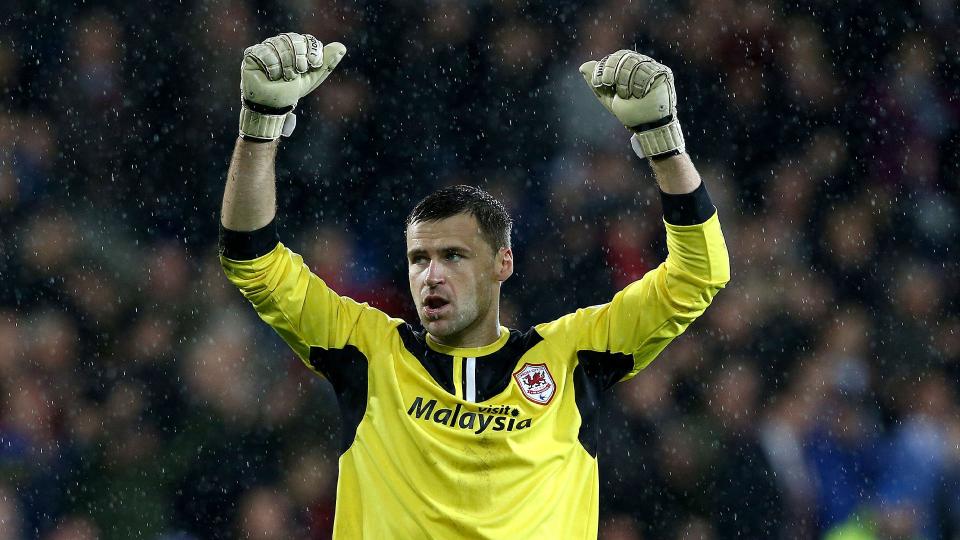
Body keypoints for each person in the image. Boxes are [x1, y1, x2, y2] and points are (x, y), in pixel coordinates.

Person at [219, 32, 730, 539]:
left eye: (453, 256)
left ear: (502, 263)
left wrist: (664, 143)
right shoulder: (371, 353)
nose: (432, 275)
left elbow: (698, 275)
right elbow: (252, 260)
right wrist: (259, 128)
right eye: (419, 260)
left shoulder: (570, 357)